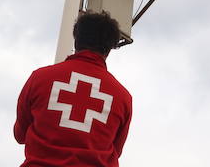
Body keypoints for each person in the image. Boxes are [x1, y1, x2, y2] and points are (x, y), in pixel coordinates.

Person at [14, 11, 132, 167]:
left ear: (76, 40)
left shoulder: (39, 78)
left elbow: (20, 134)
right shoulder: (122, 97)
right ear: (109, 49)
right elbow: (116, 150)